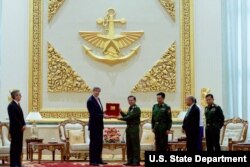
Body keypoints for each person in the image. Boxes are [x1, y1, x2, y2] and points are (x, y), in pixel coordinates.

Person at [87, 87, 108, 166]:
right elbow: (92, 114)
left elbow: (98, 111)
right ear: (93, 91)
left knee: (99, 143)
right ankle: (93, 161)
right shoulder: (90, 101)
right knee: (94, 143)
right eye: (95, 91)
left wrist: (105, 112)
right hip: (94, 126)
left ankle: (99, 159)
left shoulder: (98, 99)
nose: (97, 92)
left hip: (99, 125)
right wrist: (103, 115)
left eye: (98, 91)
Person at [119, 95, 141, 166]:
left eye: (132, 100)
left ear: (135, 101)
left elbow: (129, 117)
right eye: (129, 100)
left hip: (134, 128)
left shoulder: (136, 109)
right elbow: (126, 116)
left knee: (135, 145)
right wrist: (121, 111)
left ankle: (136, 161)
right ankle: (130, 160)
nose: (130, 101)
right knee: (129, 145)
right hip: (129, 128)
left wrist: (118, 118)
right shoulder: (130, 108)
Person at [7, 90, 26, 167]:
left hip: (20, 130)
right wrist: (21, 126)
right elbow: (14, 119)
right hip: (15, 130)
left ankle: (18, 163)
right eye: (19, 95)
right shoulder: (11, 106)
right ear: (15, 96)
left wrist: (24, 124)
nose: (20, 96)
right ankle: (14, 164)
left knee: (19, 147)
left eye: (20, 95)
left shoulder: (17, 104)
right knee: (14, 148)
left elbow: (21, 117)